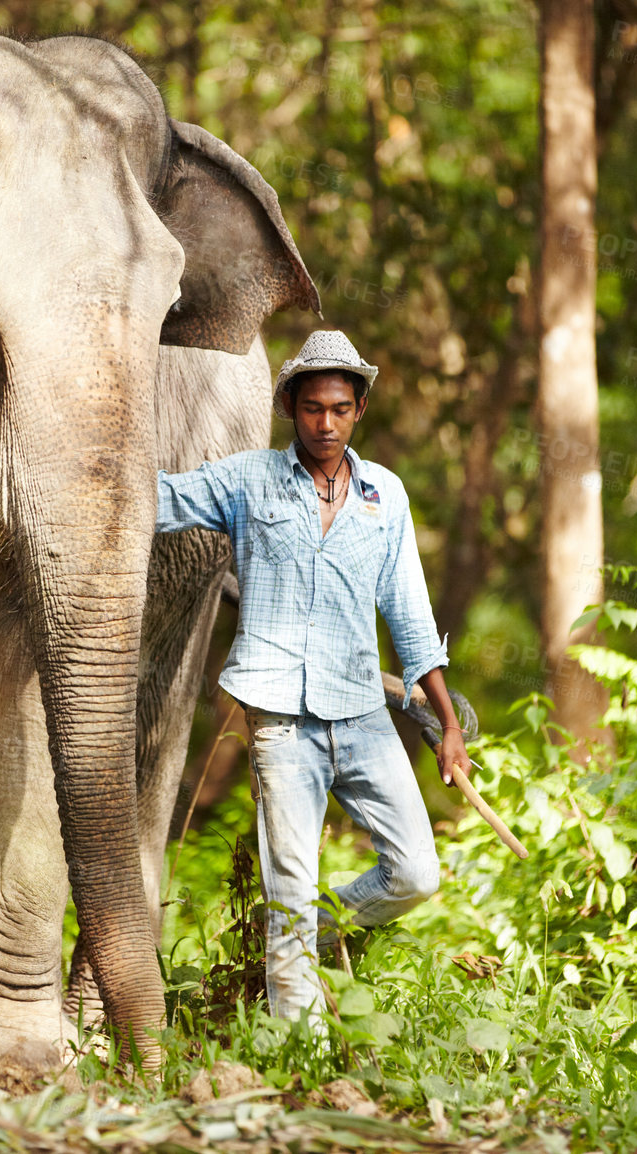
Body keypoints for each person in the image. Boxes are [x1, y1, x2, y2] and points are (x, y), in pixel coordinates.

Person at [156, 329, 469, 1024]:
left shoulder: (384, 496)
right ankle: (298, 1048)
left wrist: (447, 726)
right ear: (290, 409)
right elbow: (158, 500)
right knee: (290, 887)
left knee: (416, 871)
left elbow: (412, 618)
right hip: (279, 722)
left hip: (362, 714)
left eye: (338, 409)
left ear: (359, 410)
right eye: (310, 409)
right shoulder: (248, 479)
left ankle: (305, 941)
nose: (324, 424)